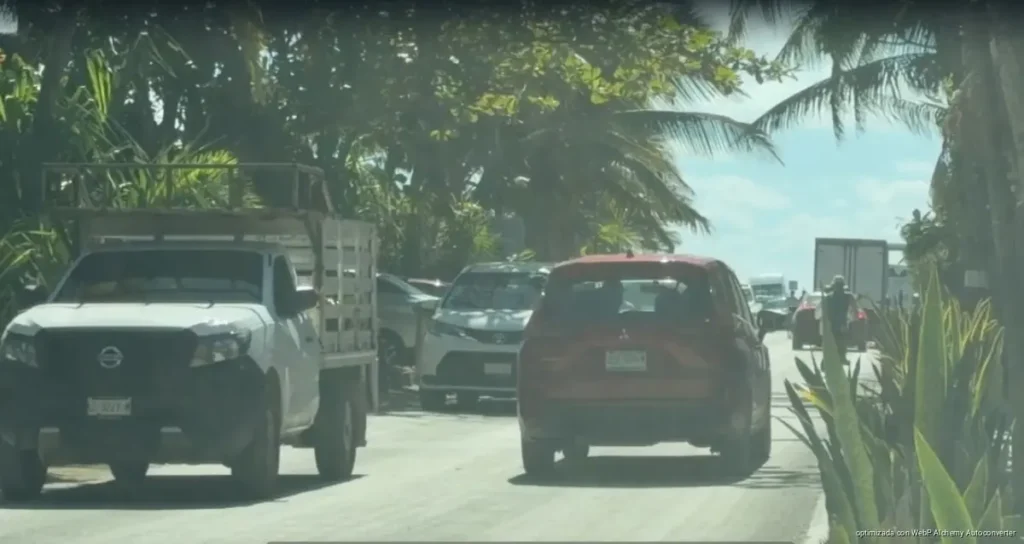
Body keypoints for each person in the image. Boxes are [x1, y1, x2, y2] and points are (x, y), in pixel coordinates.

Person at [822, 275, 856, 362]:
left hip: (834, 324)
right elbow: (854, 308)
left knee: (835, 343)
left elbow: (824, 312)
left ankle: (833, 359)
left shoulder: (828, 297)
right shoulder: (848, 296)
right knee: (840, 342)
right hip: (839, 324)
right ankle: (840, 358)